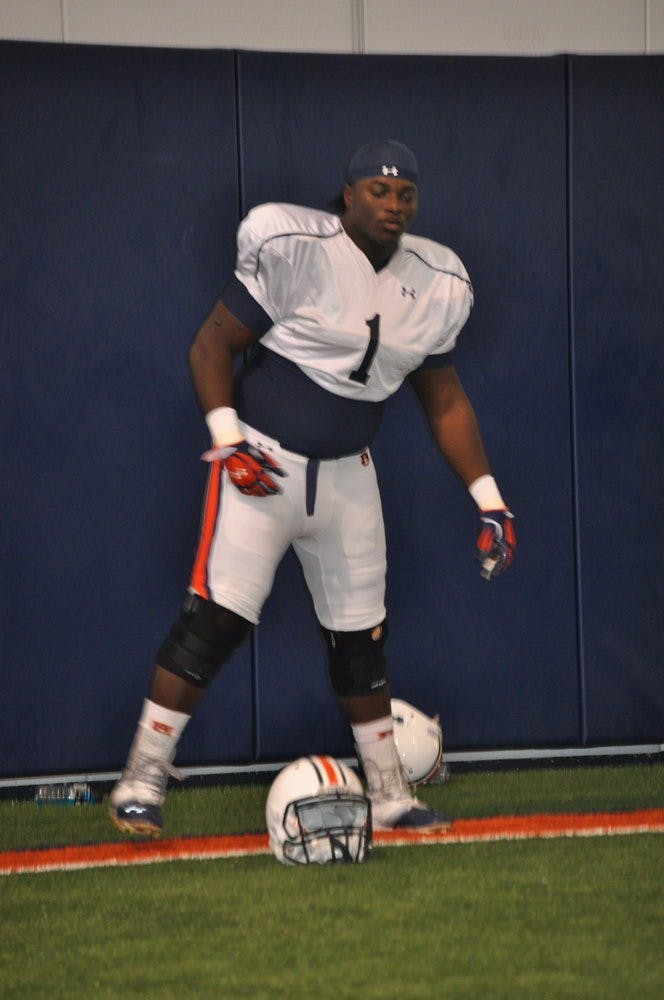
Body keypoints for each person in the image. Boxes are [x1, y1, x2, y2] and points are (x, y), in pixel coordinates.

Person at [109, 139, 516, 837]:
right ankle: (139, 781)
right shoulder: (296, 243)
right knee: (213, 623)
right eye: (379, 192)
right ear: (349, 192)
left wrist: (490, 500)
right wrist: (228, 438)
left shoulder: (437, 278)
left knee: (362, 641)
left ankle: (389, 796)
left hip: (349, 476)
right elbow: (211, 344)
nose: (393, 205)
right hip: (261, 466)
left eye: (406, 195)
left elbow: (444, 401)